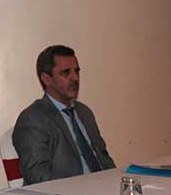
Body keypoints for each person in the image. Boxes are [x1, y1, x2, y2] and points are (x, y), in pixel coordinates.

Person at [13, 45, 115, 185]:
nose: (75, 78)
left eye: (76, 71)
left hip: (102, 189)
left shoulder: (85, 112)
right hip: (68, 193)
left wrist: (116, 184)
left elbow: (105, 160)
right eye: (66, 73)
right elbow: (38, 177)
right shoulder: (33, 119)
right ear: (46, 79)